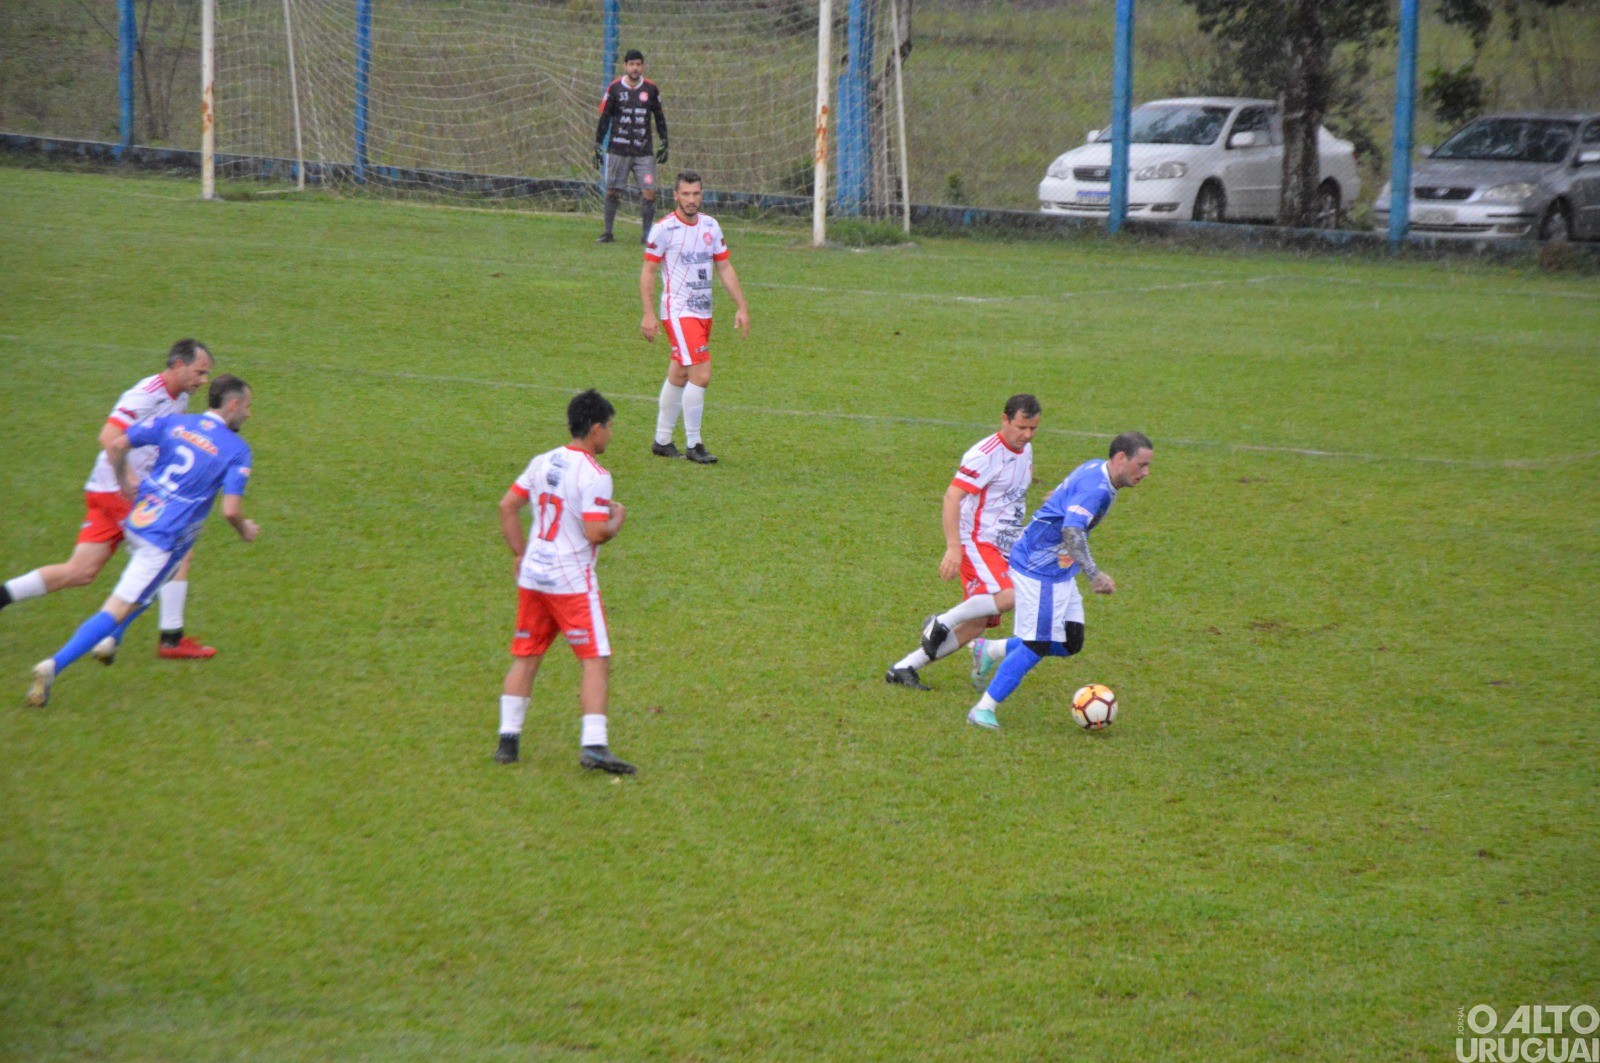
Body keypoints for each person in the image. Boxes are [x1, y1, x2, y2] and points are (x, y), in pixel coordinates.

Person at [27, 375, 259, 708]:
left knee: (164, 574)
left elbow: (118, 444)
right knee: (118, 606)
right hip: (160, 538)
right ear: (233, 405)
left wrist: (123, 480)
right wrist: (245, 530)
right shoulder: (238, 450)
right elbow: (231, 510)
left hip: (139, 519)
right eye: (247, 407)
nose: (249, 415)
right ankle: (53, 666)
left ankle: (112, 640)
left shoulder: (175, 422)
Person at [1, 339, 219, 661]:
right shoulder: (145, 394)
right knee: (175, 551)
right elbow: (108, 436)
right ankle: (168, 639)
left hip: (107, 490)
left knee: (80, 571)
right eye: (199, 372)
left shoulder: (181, 397)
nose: (203, 381)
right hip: (118, 490)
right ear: (177, 365)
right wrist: (127, 479)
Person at [965, 431, 1154, 730]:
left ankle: (990, 650)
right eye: (1141, 465)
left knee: (1070, 641)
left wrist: (1056, 498)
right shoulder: (1097, 490)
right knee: (1037, 643)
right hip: (1037, 568)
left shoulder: (1096, 467)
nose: (1145, 473)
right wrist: (1094, 574)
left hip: (1059, 569)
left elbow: (1064, 493)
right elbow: (1072, 531)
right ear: (1120, 458)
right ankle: (983, 709)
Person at [493, 389, 635, 774]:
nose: (610, 434)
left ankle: (508, 742)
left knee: (527, 655)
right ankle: (594, 745)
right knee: (595, 659)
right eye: (608, 428)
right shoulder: (595, 475)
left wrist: (521, 554)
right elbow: (594, 533)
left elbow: (508, 506)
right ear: (594, 429)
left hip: (534, 577)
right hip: (571, 582)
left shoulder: (543, 461)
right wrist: (617, 522)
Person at [885, 395, 1042, 691]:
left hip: (1006, 543)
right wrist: (954, 547)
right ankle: (941, 621)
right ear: (1004, 419)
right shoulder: (984, 454)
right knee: (1012, 596)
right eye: (1021, 427)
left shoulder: (1026, 449)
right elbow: (952, 496)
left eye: (1033, 428)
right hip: (978, 540)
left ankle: (904, 668)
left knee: (977, 624)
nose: (1027, 435)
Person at [640, 171, 750, 465]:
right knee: (701, 375)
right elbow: (648, 271)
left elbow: (724, 268)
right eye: (685, 194)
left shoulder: (711, 226)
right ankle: (694, 443)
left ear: (702, 195)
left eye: (696, 194)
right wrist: (649, 314)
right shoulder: (664, 229)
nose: (691, 200)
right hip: (678, 311)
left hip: (704, 312)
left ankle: (662, 440)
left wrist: (741, 305)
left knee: (679, 374)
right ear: (675, 196)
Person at [594, 49, 668, 244]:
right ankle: (608, 232)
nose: (635, 68)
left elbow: (659, 117)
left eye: (639, 64)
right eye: (632, 64)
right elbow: (605, 118)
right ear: (625, 66)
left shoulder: (651, 89)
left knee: (649, 191)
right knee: (612, 190)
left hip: (643, 151)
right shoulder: (615, 88)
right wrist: (597, 144)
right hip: (618, 150)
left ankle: (646, 236)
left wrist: (664, 141)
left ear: (643, 66)